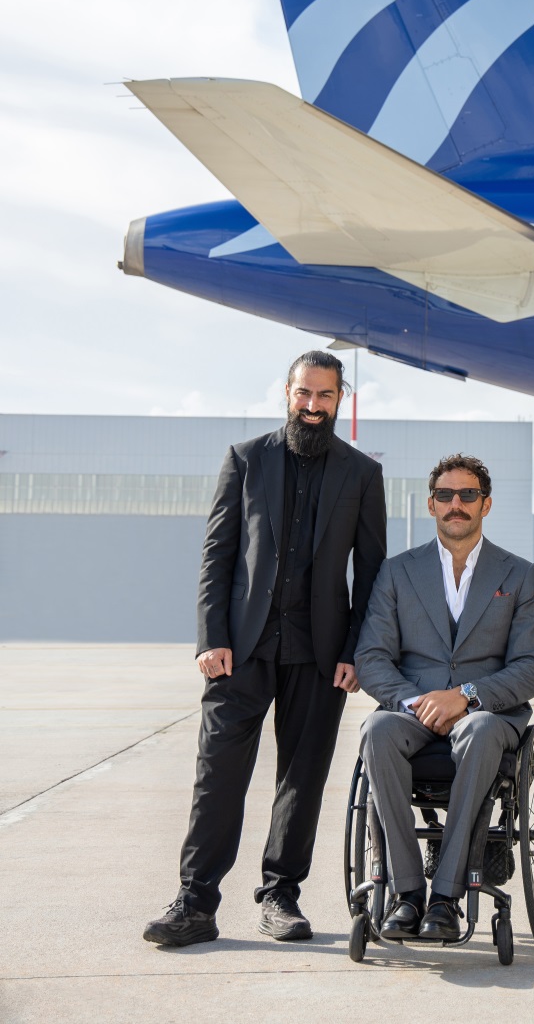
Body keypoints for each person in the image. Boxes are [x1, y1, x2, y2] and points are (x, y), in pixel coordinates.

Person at [143, 350, 386, 947]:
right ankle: (195, 901)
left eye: (325, 395)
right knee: (218, 775)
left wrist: (356, 650)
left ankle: (281, 897)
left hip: (321, 655)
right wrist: (211, 638)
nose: (313, 405)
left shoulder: (362, 473)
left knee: (302, 780)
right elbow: (218, 555)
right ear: (287, 392)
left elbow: (371, 572)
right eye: (304, 393)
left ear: (341, 399)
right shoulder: (245, 458)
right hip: (241, 651)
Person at [355, 454, 534, 942]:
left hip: (488, 713)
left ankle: (446, 896)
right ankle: (407, 893)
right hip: (412, 710)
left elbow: (531, 666)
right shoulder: (397, 572)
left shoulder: (520, 576)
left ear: (486, 504)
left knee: (480, 731)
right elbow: (372, 657)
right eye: (445, 495)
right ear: (431, 505)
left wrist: (465, 697)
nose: (455, 504)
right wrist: (417, 702)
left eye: (467, 495)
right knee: (375, 729)